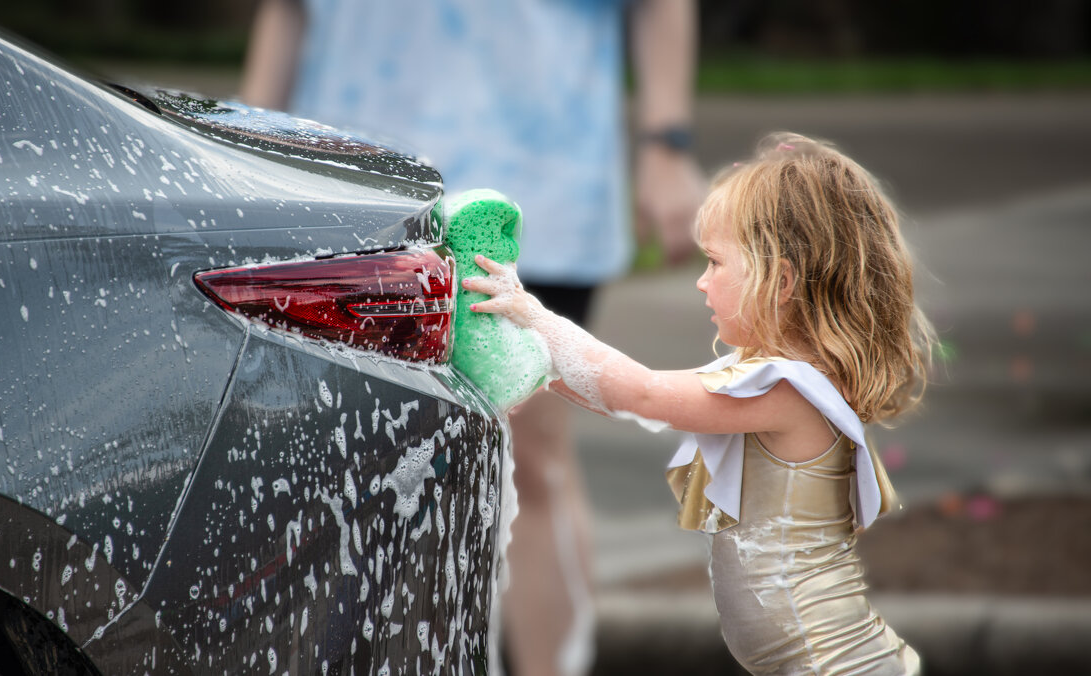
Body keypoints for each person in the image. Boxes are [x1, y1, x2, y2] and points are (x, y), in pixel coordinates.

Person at [240, 2, 708, 675]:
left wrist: (666, 143)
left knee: (527, 455)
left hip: (526, 187)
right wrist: (249, 143)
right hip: (341, 178)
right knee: (343, 464)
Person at [465, 132, 933, 675]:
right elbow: (620, 395)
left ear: (779, 279)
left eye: (715, 263)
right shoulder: (770, 377)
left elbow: (640, 392)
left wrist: (533, 317)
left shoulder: (787, 389)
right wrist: (526, 364)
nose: (701, 283)